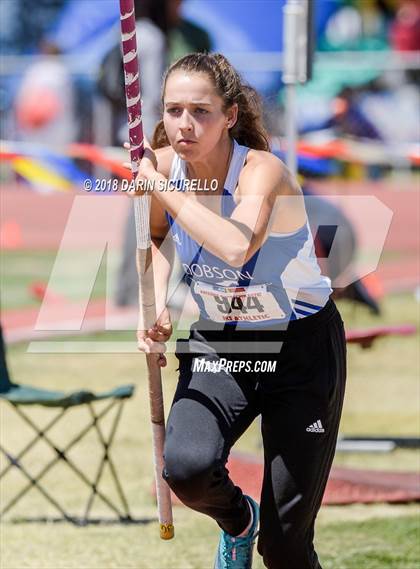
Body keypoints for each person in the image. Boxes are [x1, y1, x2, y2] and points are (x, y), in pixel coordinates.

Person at [128, 53, 347, 569]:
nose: (184, 124)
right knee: (185, 468)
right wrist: (156, 307)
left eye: (200, 111)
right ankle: (239, 521)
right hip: (224, 340)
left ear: (229, 115)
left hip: (300, 346)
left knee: (286, 547)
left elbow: (234, 246)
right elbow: (157, 237)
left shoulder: (261, 171)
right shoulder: (160, 164)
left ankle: (269, 535)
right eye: (173, 110)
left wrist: (162, 187)